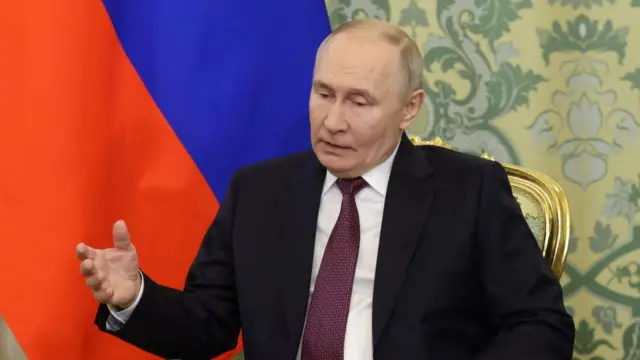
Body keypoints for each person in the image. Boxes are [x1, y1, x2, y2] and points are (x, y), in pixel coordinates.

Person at [76, 19, 575, 360]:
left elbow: (540, 325)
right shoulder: (260, 192)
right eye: (323, 94)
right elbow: (208, 324)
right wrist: (134, 297)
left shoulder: (469, 191)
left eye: (359, 102)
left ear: (409, 107)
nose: (333, 121)